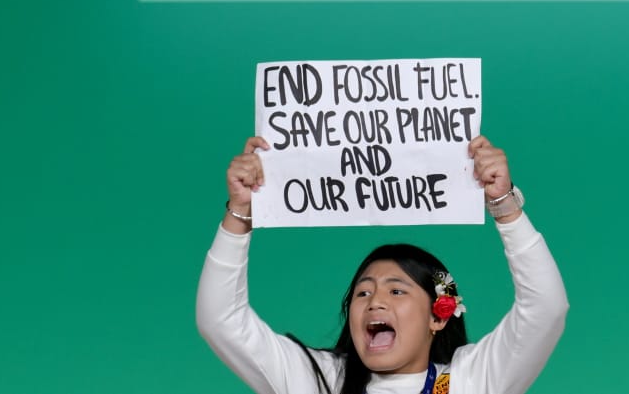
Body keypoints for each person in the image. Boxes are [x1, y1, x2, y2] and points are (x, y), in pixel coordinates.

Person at [197, 135, 568, 394]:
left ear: (438, 315)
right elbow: (220, 319)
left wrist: (504, 205)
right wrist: (241, 211)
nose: (375, 301)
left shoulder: (463, 382)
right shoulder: (323, 381)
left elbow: (546, 308)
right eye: (363, 292)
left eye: (396, 289)